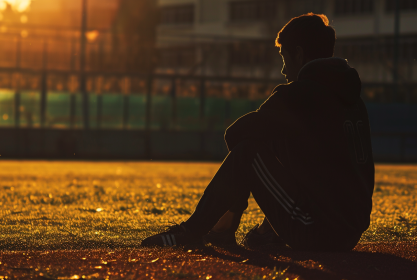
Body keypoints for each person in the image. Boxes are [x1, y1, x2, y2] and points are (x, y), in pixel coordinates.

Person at [141, 13, 374, 251]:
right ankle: (265, 231)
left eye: (284, 57)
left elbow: (235, 135)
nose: (284, 70)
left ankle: (197, 231)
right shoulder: (355, 102)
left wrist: (236, 203)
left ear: (299, 54)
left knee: (248, 152)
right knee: (281, 142)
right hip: (351, 232)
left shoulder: (298, 95)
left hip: (316, 231)